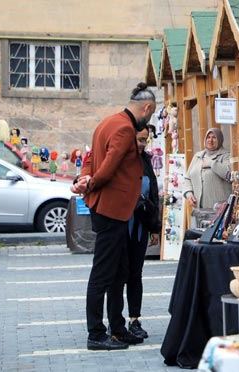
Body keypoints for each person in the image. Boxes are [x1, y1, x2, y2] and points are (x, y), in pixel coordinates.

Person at [71, 82, 156, 351]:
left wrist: (85, 177)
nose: (149, 119)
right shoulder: (124, 127)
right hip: (112, 209)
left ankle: (117, 329)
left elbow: (90, 157)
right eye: (151, 114)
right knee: (103, 273)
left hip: (112, 209)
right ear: (147, 108)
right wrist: (91, 182)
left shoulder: (107, 122)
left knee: (119, 271)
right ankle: (96, 333)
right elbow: (107, 167)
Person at [126, 125, 161, 339]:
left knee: (135, 275)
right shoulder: (120, 159)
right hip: (121, 226)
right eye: (139, 139)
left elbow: (154, 193)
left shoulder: (146, 160)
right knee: (117, 275)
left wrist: (154, 227)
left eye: (144, 140)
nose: (141, 144)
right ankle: (115, 321)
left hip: (140, 225)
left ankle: (134, 319)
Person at [183, 128, 232, 210]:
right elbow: (187, 178)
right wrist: (189, 193)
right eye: (208, 137)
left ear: (220, 139)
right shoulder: (198, 156)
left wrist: (211, 163)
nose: (210, 140)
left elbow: (229, 174)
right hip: (198, 209)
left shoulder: (226, 156)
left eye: (214, 137)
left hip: (219, 210)